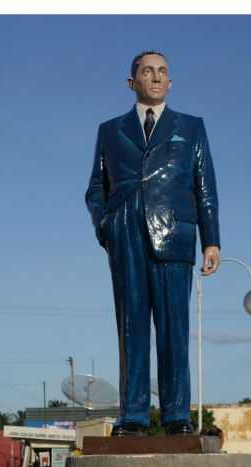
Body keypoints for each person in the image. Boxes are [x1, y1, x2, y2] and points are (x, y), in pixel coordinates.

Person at [86, 51, 221, 437]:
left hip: (175, 234)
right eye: (148, 71)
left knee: (174, 328)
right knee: (131, 328)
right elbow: (96, 188)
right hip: (125, 231)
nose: (156, 77)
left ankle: (177, 416)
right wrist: (106, 224)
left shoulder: (191, 127)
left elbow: (205, 187)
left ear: (171, 82)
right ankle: (133, 417)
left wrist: (211, 240)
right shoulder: (109, 130)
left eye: (162, 72)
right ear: (132, 82)